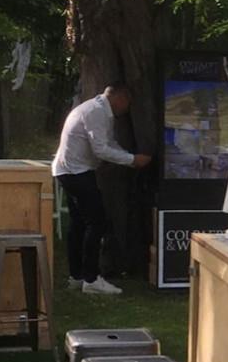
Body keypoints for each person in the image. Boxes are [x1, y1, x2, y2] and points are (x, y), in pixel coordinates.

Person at [51, 83, 152, 295]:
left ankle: (76, 275)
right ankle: (91, 278)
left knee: (78, 222)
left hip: (68, 170)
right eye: (128, 103)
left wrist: (128, 156)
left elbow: (109, 142)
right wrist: (132, 160)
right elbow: (101, 149)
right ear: (120, 98)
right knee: (96, 222)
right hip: (76, 171)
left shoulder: (98, 110)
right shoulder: (96, 112)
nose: (127, 108)